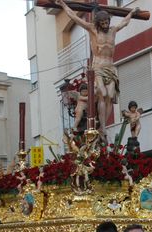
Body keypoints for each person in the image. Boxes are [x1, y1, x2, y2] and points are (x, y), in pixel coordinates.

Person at [56, 0, 139, 139]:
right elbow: (75, 18)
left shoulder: (113, 30)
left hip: (111, 68)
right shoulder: (92, 29)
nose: (106, 25)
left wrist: (131, 12)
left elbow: (124, 22)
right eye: (103, 23)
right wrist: (64, 5)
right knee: (103, 93)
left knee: (110, 96)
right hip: (98, 67)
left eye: (107, 22)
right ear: (99, 23)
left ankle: (102, 126)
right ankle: (101, 126)